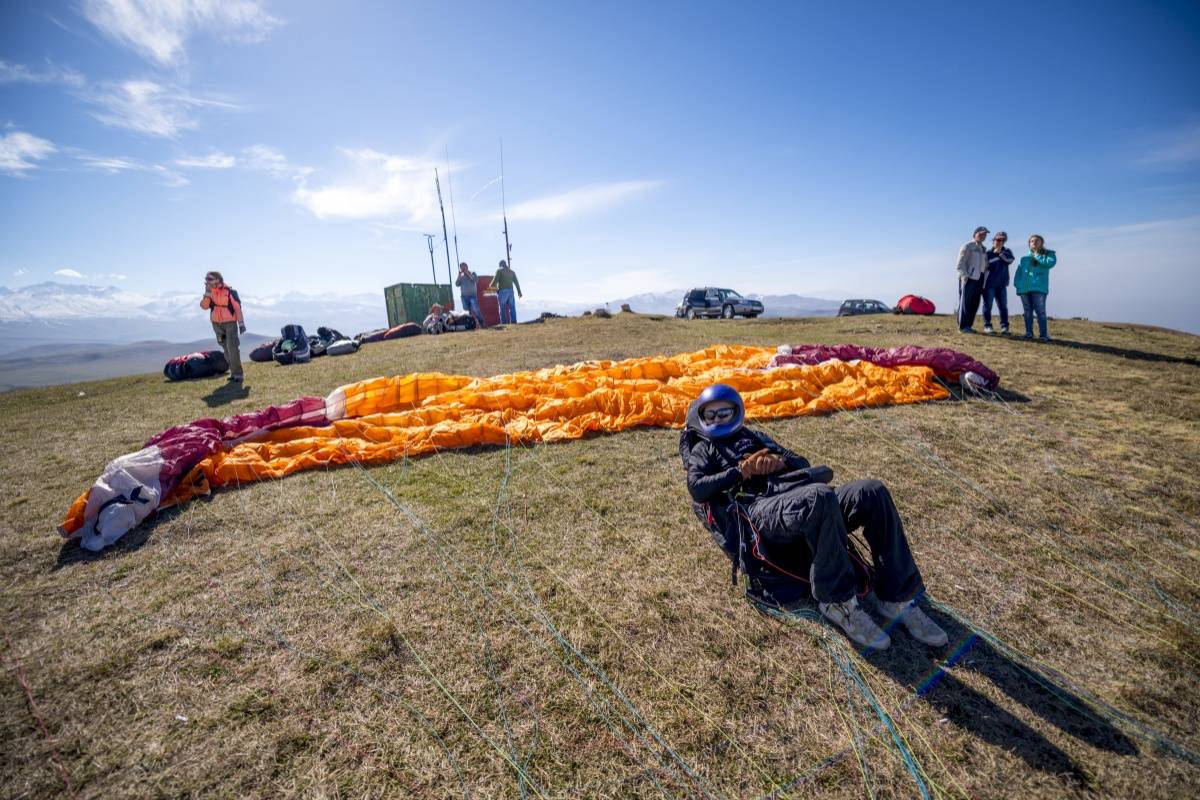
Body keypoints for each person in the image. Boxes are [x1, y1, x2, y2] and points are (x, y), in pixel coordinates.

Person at [681, 384, 948, 650]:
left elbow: (801, 462)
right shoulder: (704, 450)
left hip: (795, 496)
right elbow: (697, 487)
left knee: (871, 491)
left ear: (736, 411)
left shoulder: (755, 436)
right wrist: (741, 471)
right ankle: (837, 602)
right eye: (711, 415)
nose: (717, 419)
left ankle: (896, 598)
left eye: (723, 413)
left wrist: (778, 461)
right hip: (759, 512)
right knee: (819, 497)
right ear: (703, 420)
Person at [200, 270, 245, 382]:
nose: (207, 282)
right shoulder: (210, 293)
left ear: (217, 280)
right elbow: (204, 306)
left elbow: (237, 308)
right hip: (216, 324)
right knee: (225, 348)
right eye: (206, 279)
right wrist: (207, 293)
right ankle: (233, 372)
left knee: (232, 347)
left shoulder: (229, 291)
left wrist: (241, 324)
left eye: (209, 279)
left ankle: (238, 374)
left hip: (230, 323)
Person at [1014, 234, 1057, 341]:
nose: (1034, 242)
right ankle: (1029, 333)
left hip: (1039, 288)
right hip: (1024, 289)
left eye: (1037, 241)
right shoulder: (1024, 259)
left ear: (1041, 243)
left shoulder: (1049, 254)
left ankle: (1043, 335)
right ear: (1029, 244)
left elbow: (1050, 263)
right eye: (1031, 241)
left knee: (1040, 312)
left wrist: (1037, 255)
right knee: (1027, 312)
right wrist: (1018, 285)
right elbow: (1018, 273)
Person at [956, 226, 989, 333]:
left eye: (985, 234)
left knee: (975, 303)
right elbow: (960, 264)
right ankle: (962, 327)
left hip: (979, 279)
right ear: (974, 234)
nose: (983, 236)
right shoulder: (967, 246)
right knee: (965, 302)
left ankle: (969, 326)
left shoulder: (984, 249)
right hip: (968, 278)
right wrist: (965, 276)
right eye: (980, 234)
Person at [981, 231, 1014, 334]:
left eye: (1003, 240)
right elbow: (984, 267)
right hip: (989, 285)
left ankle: (1004, 327)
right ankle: (987, 326)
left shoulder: (1007, 252)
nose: (1000, 242)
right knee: (988, 306)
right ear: (993, 240)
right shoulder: (987, 253)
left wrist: (999, 253)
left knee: (1003, 307)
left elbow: (1010, 260)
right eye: (998, 239)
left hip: (1002, 285)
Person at [455, 262, 485, 328]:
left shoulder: (473, 273)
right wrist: (459, 276)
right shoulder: (461, 276)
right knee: (466, 312)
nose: (462, 268)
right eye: (461, 267)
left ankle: (482, 323)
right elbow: (457, 284)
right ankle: (469, 325)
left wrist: (467, 273)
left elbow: (475, 280)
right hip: (464, 296)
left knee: (476, 310)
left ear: (467, 266)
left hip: (472, 296)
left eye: (463, 266)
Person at [493, 259, 522, 324]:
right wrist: (519, 292)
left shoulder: (499, 271)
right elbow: (516, 283)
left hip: (502, 292)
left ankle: (504, 322)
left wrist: (490, 290)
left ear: (500, 265)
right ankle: (514, 321)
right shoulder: (512, 272)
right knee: (512, 307)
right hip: (511, 291)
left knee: (502, 308)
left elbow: (494, 282)